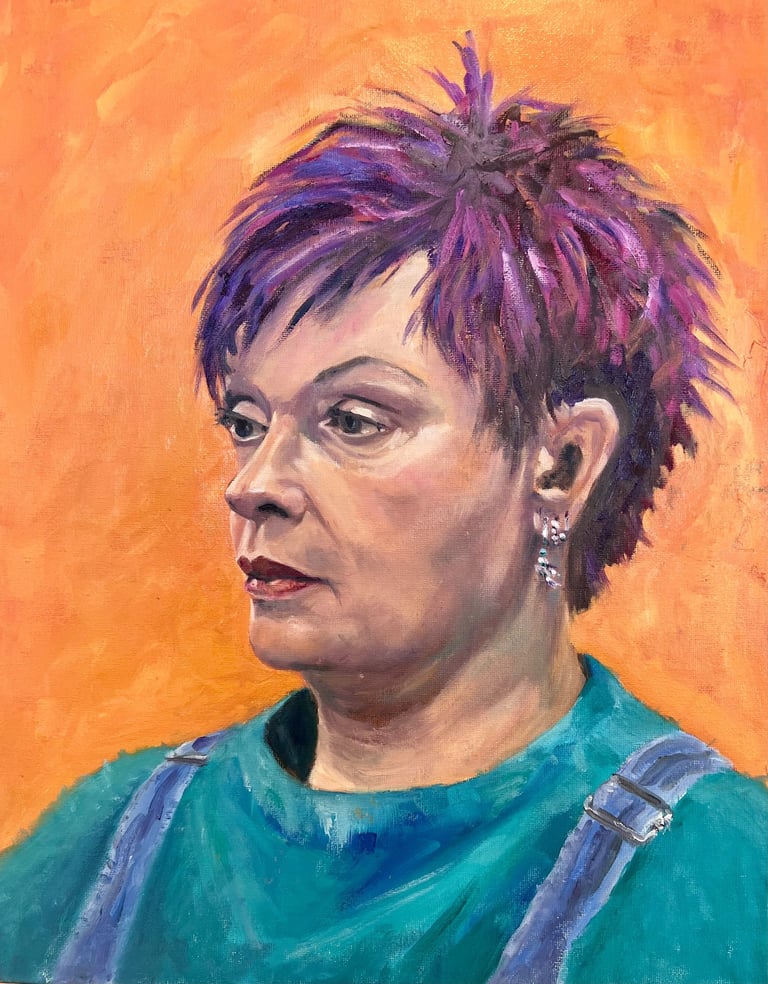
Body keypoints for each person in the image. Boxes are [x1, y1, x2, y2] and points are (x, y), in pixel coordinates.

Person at [0, 35, 765, 984]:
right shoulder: (110, 843)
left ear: (563, 463)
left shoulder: (717, 875)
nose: (253, 483)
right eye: (246, 421)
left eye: (355, 420)